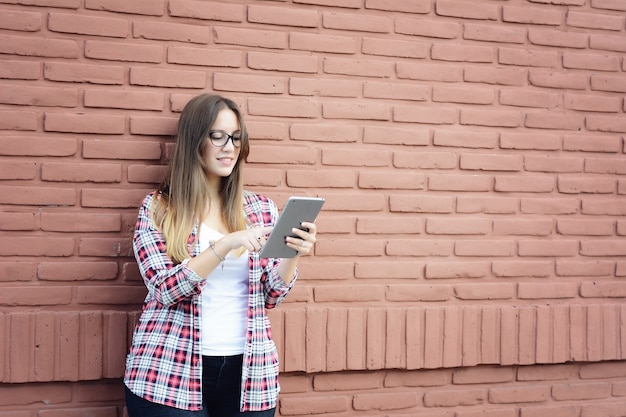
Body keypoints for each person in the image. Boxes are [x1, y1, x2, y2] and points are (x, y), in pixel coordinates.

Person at [124, 94, 317, 417]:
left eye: (236, 137)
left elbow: (271, 295)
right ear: (194, 140)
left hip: (249, 375)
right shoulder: (159, 208)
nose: (229, 147)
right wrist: (225, 244)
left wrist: (292, 254)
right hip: (169, 371)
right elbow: (165, 288)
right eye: (218, 136)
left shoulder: (259, 209)